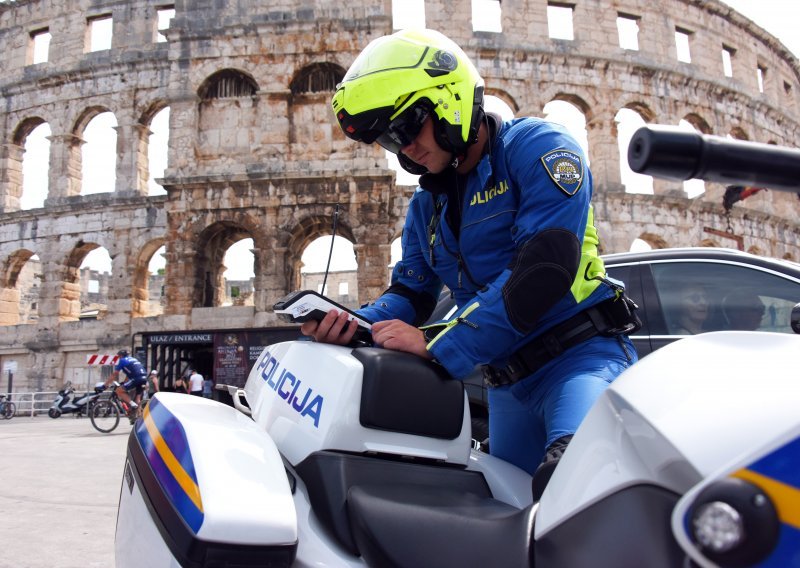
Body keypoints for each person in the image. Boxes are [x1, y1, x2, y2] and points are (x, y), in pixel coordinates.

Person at [306, 29, 639, 485]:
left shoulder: (538, 148)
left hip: (579, 361)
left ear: (449, 101)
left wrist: (439, 344)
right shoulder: (427, 204)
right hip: (506, 384)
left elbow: (544, 268)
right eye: (388, 139)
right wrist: (353, 324)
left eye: (405, 127)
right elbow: (410, 292)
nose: (403, 148)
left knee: (577, 482)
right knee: (512, 516)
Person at [103, 349, 147, 420]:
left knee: (118, 391)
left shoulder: (122, 360)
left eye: (118, 356)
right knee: (137, 399)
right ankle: (138, 418)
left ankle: (133, 405)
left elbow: (115, 374)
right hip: (144, 378)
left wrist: (105, 384)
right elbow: (128, 375)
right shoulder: (133, 359)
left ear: (120, 356)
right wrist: (124, 383)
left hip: (136, 378)